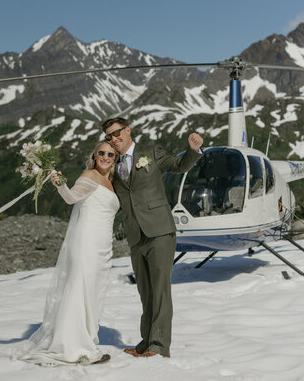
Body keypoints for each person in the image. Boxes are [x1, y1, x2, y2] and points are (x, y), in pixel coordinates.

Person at [102, 116, 203, 358]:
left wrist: (193, 149)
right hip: (135, 234)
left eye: (117, 133)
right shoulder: (112, 163)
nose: (113, 139)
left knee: (160, 289)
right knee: (145, 291)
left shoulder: (150, 151)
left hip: (159, 230)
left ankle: (159, 346)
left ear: (128, 130)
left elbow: (179, 166)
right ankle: (146, 341)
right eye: (108, 137)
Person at [12, 141, 119, 366]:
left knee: (93, 292)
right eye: (101, 153)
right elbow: (71, 197)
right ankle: (72, 346)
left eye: (110, 154)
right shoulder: (89, 175)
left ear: (115, 159)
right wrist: (59, 184)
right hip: (87, 241)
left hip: (103, 246)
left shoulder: (111, 181)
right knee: (79, 289)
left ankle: (87, 340)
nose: (105, 157)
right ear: (94, 155)